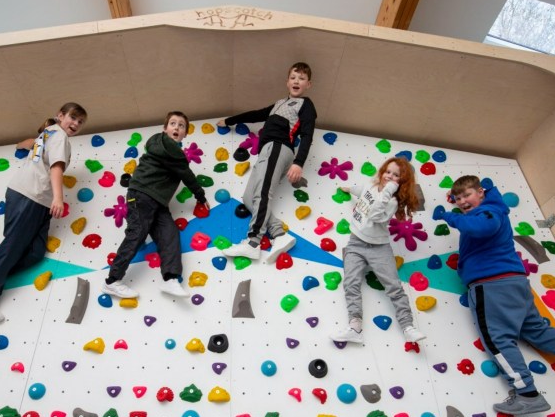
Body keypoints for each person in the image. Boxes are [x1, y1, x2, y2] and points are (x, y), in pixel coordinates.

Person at [434, 175, 555, 415]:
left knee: (497, 339)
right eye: (457, 199)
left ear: (481, 192)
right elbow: (477, 217)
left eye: (467, 195)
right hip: (514, 283)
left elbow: (480, 227)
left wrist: (449, 216)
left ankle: (526, 394)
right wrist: (462, 203)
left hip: (491, 285)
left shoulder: (488, 213)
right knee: (538, 331)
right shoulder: (494, 208)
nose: (462, 201)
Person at [0, 102, 87, 322]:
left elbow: (27, 143)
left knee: (34, 252)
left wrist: (21, 146)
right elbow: (56, 167)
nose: (76, 124)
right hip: (30, 196)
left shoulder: (48, 133)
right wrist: (59, 198)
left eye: (80, 122)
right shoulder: (59, 136)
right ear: (60, 116)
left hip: (35, 200)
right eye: (73, 117)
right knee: (12, 248)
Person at [218, 62, 317, 264]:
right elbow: (256, 114)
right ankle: (279, 235)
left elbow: (307, 135)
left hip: (279, 148)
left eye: (301, 78)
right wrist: (230, 121)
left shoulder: (305, 105)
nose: (296, 81)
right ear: (287, 81)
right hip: (267, 151)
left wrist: (298, 163)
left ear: (309, 84)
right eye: (293, 77)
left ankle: (253, 242)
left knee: (263, 193)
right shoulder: (279, 103)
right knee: (249, 198)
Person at [102, 111, 207, 299]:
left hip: (157, 201)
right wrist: (200, 195)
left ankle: (171, 279)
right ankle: (112, 281)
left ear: (185, 134)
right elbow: (187, 175)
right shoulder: (169, 148)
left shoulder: (169, 151)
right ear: (165, 129)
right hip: (142, 195)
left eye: (181, 125)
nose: (176, 127)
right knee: (137, 234)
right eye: (173, 123)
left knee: (169, 234)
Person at [330, 157, 426, 345]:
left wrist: (390, 190)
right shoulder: (371, 186)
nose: (389, 176)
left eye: (396, 175)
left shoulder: (391, 201)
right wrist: (350, 189)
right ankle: (355, 327)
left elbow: (374, 214)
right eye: (388, 171)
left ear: (401, 181)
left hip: (379, 247)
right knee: (351, 283)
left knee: (394, 287)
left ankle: (408, 327)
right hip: (355, 243)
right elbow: (363, 192)